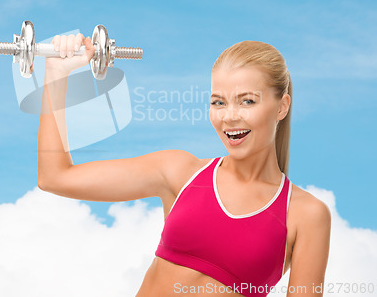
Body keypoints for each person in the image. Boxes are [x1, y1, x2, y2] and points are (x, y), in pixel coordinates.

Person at [37, 33, 331, 297]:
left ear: (282, 106)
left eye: (247, 101)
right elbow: (55, 177)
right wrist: (56, 75)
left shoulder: (306, 215)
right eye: (218, 102)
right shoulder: (179, 172)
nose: (229, 117)